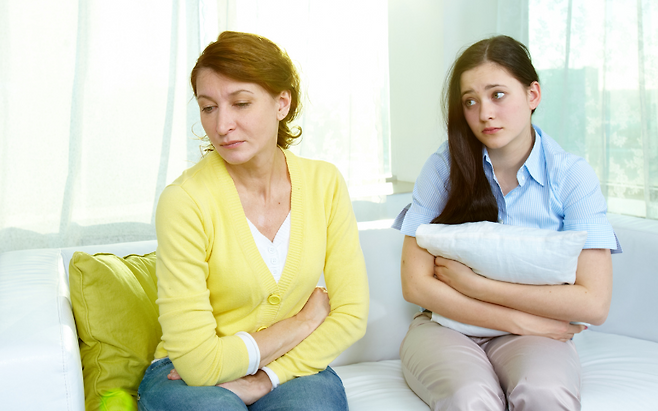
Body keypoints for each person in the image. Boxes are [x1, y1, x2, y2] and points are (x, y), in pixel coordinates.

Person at [137, 31, 369, 411]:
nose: (221, 125)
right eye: (208, 107)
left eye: (241, 103)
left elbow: (352, 314)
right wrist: (302, 322)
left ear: (282, 103)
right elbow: (199, 363)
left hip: (292, 366)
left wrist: (266, 378)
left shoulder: (324, 184)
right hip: (186, 378)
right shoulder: (185, 201)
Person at [393, 35, 619, 411]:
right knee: (469, 397)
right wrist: (520, 321)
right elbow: (415, 284)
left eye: (497, 95)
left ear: (533, 95)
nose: (484, 113)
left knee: (544, 393)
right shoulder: (443, 168)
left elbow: (593, 303)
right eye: (470, 101)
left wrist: (475, 285)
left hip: (537, 337)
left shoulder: (571, 176)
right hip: (446, 326)